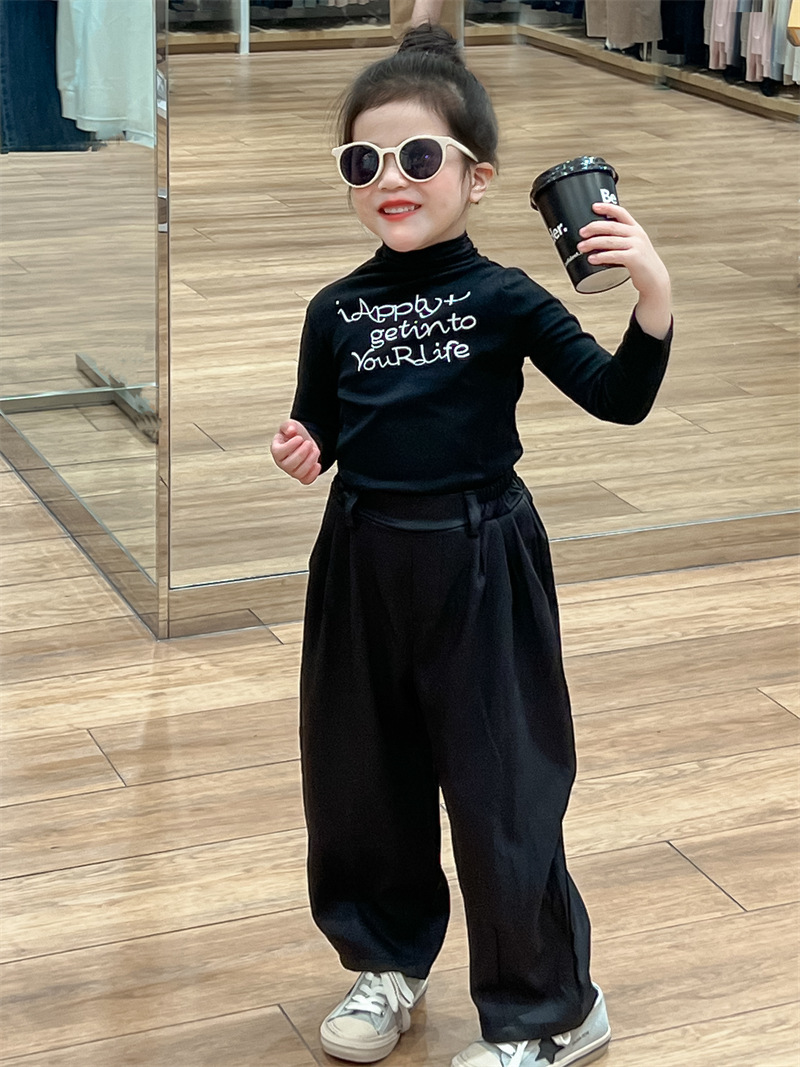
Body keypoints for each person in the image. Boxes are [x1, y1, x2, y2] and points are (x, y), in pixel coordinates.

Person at [270, 24, 672, 1067]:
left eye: (416, 156)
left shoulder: (505, 298)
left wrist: (651, 297)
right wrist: (307, 445)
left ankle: (553, 1011)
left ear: (476, 177)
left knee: (504, 792)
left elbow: (617, 397)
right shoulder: (334, 309)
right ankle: (387, 960)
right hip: (361, 559)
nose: (388, 179)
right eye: (362, 161)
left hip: (481, 559)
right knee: (360, 777)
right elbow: (326, 421)